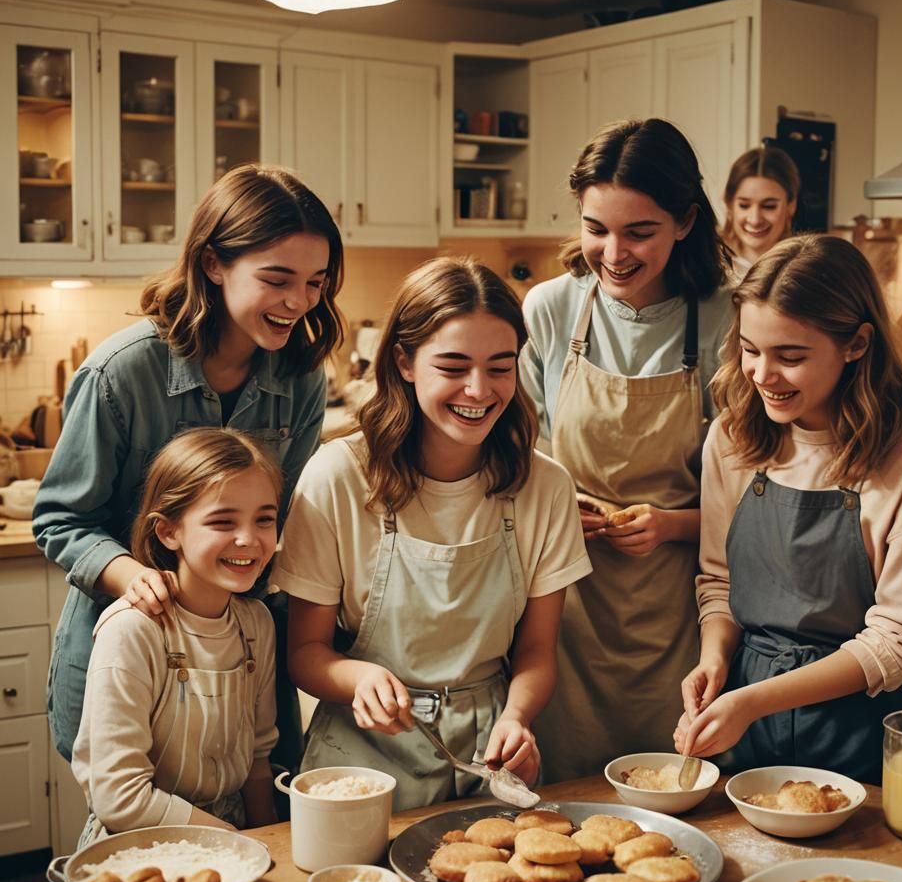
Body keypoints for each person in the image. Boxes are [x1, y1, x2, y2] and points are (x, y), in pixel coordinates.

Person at [34, 163, 344, 773]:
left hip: (243, 659)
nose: (298, 302)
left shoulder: (301, 379)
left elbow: (285, 519)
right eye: (277, 278)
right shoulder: (121, 374)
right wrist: (128, 573)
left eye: (316, 282)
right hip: (133, 651)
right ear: (212, 263)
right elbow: (60, 519)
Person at [276, 258, 591, 810]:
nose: (480, 389)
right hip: (360, 765)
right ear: (404, 361)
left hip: (485, 761)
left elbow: (537, 651)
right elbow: (305, 651)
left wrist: (517, 718)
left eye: (500, 366)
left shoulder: (545, 485)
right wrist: (357, 679)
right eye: (453, 366)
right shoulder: (336, 477)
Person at [674, 235, 902, 784]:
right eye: (750, 349)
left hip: (862, 729)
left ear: (856, 344)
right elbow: (719, 581)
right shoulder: (732, 439)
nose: (760, 375)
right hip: (747, 728)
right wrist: (715, 659)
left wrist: (753, 701)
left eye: (791, 356)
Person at [520, 118, 734, 782]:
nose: (613, 253)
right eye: (596, 228)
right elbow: (512, 463)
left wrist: (672, 524)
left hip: (681, 611)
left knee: (673, 801)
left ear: (685, 221)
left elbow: (760, 503)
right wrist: (555, 506)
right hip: (566, 611)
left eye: (639, 232)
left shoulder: (729, 319)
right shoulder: (550, 309)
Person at [73, 428, 282, 845]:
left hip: (236, 835)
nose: (248, 539)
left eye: (265, 518)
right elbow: (121, 798)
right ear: (169, 532)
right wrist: (238, 845)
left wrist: (271, 844)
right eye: (223, 521)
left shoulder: (256, 623)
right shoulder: (133, 630)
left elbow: (258, 761)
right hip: (140, 845)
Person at [722, 144, 800, 280]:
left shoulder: (805, 269)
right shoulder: (706, 264)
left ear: (791, 205)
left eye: (769, 206)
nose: (755, 220)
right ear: (729, 204)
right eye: (744, 205)